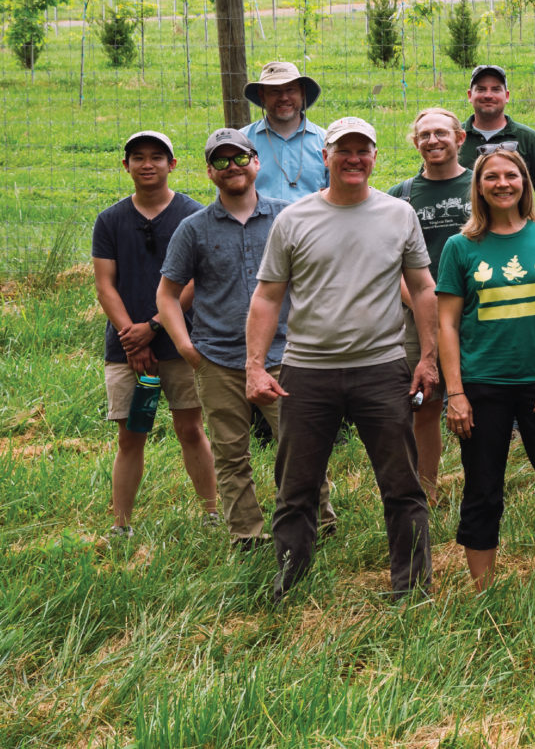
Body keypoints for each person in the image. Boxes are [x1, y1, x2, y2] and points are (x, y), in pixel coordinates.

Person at [246, 116, 439, 601]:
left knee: (402, 485)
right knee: (296, 487)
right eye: (343, 150)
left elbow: (422, 287)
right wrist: (254, 365)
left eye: (363, 150)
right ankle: (289, 583)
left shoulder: (399, 214)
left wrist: (429, 357)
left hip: (382, 367)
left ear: (375, 156)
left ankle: (411, 588)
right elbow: (268, 297)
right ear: (325, 157)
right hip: (307, 372)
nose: (354, 159)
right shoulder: (294, 219)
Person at [158, 128, 332, 549]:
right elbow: (166, 294)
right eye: (220, 161)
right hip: (217, 358)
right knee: (231, 453)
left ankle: (318, 522)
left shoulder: (287, 217)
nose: (231, 167)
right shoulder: (192, 229)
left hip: (283, 355)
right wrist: (186, 348)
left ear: (257, 163)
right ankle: (247, 534)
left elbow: (315, 280)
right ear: (209, 173)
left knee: (300, 447)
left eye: (239, 158)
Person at [436, 150, 535, 591]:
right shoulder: (460, 247)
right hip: (482, 387)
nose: (503, 183)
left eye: (512, 175)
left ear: (525, 181)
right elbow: (446, 322)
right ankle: (484, 589)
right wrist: (456, 393)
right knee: (483, 489)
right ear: (479, 187)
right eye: (492, 177)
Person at [94, 130, 216, 535]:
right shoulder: (109, 220)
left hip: (181, 342)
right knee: (131, 437)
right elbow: (105, 285)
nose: (148, 164)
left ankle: (212, 514)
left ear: (172, 164)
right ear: (125, 165)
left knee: (190, 428)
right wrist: (131, 335)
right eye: (138, 157)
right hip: (126, 347)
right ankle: (121, 526)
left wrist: (153, 328)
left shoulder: (194, 215)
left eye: (157, 157)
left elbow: (197, 281)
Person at [389, 107, 472, 502]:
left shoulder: (483, 186)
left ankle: (481, 482)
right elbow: (389, 264)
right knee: (424, 403)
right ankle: (427, 490)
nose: (433, 140)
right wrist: (425, 308)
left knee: (480, 399)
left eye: (441, 132)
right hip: (414, 315)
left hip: (476, 313)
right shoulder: (399, 197)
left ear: (460, 139)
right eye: (424, 135)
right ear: (415, 142)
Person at [457, 64, 535, 219]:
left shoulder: (529, 140)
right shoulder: (453, 138)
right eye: (481, 89)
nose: (488, 95)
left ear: (507, 96)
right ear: (470, 95)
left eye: (496, 89)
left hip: (514, 233)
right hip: (464, 234)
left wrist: (534, 230)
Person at [240, 60, 326, 204]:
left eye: (290, 90)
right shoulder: (242, 142)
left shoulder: (326, 142)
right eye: (275, 91)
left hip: (311, 225)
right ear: (262, 95)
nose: (284, 97)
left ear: (302, 93)